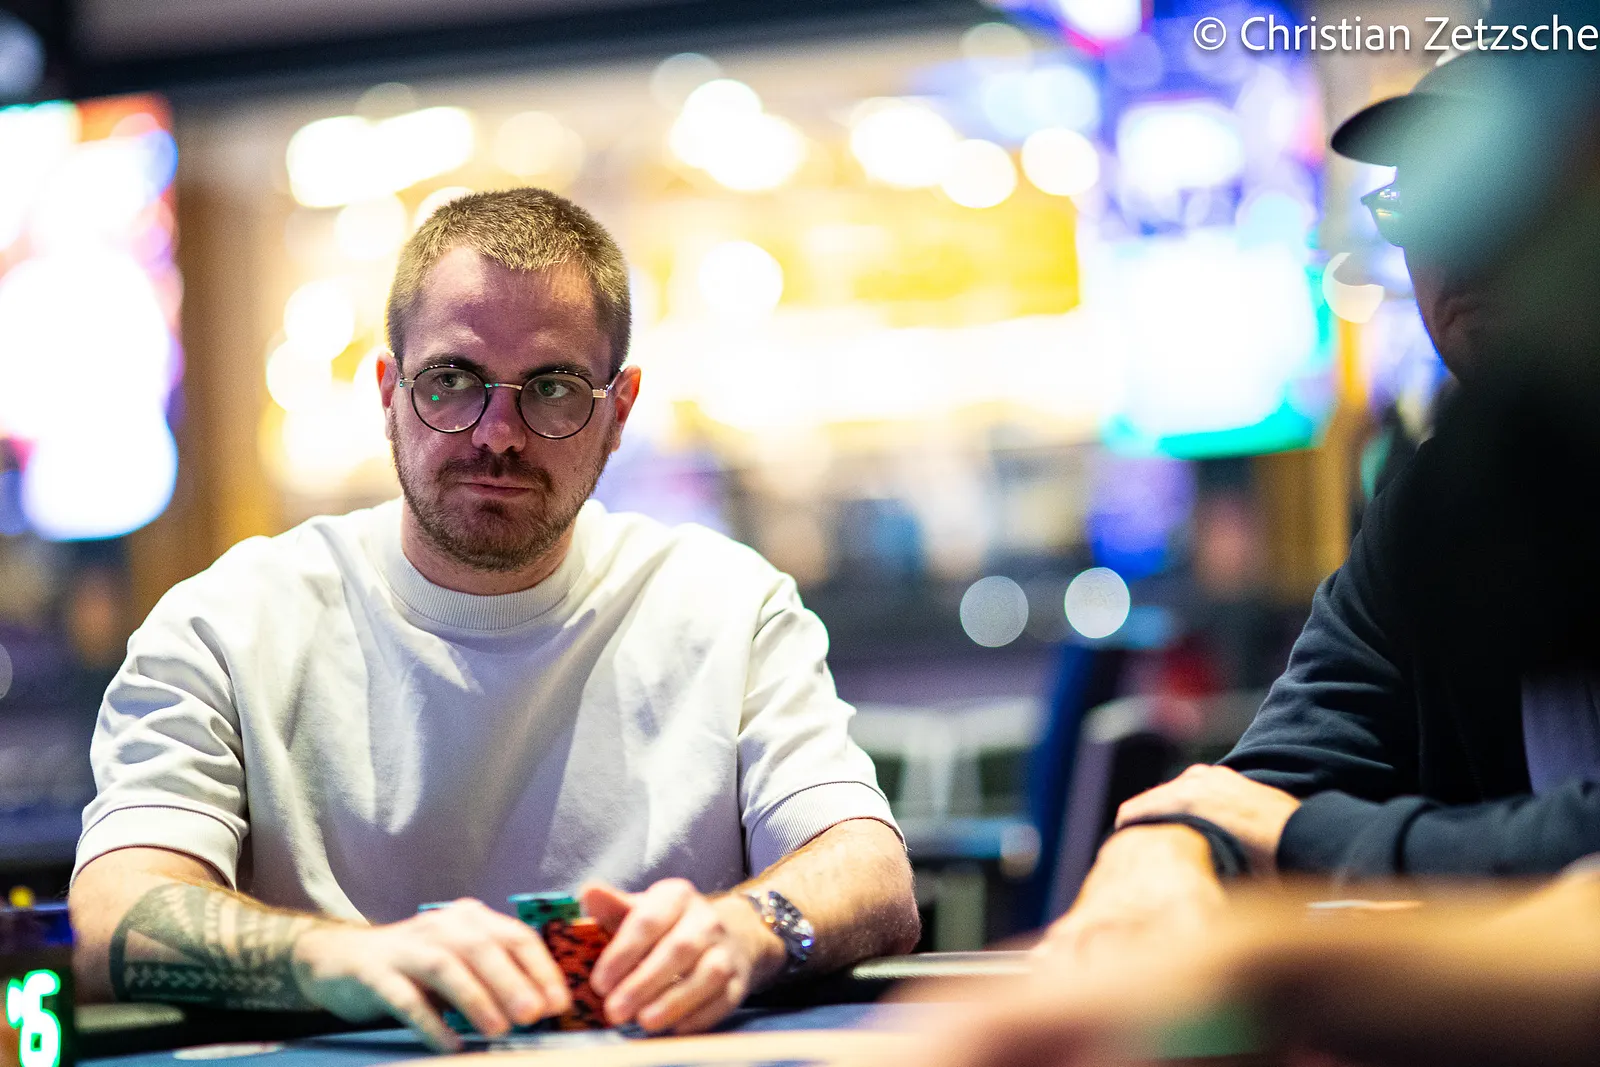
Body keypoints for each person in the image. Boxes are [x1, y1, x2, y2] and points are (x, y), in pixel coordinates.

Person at [67, 188, 919, 1048]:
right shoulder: (225, 624)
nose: (499, 434)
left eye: (551, 388)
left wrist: (749, 929)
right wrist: (341, 957)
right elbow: (111, 916)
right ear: (388, 392)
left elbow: (871, 872)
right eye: (452, 381)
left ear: (618, 412)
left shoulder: (730, 606)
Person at [1044, 33, 1600, 959]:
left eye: (1503, 192)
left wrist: (1306, 837)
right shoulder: (1437, 501)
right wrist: (1166, 847)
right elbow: (1268, 776)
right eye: (1423, 206)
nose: (1458, 252)